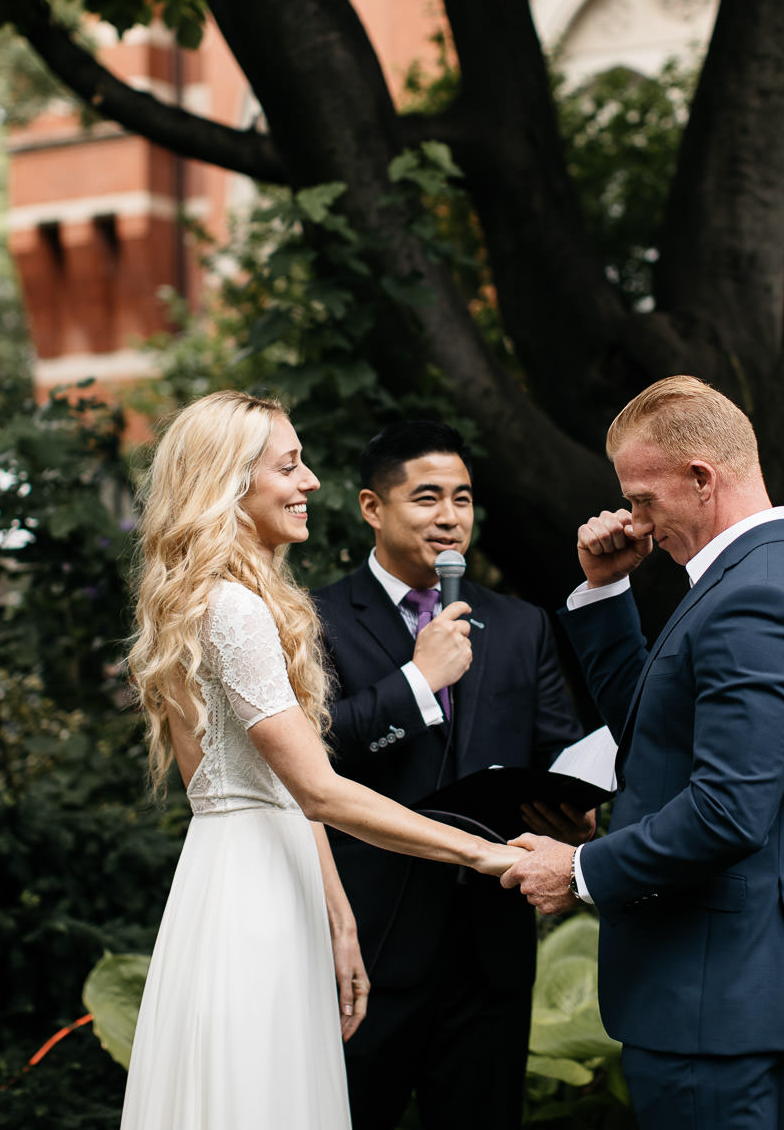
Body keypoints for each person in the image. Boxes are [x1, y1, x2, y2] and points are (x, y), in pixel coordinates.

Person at [117, 391, 525, 1130]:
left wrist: (339, 919)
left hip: (238, 878)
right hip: (257, 899)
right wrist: (488, 856)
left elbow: (280, 791)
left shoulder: (203, 602)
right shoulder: (234, 610)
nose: (310, 483)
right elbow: (321, 792)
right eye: (290, 465)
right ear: (230, 483)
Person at [501, 375, 784, 1130]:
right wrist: (603, 593)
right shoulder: (758, 576)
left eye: (642, 498)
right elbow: (655, 731)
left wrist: (581, 870)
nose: (633, 521)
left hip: (712, 991)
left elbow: (728, 810)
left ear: (702, 478)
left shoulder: (756, 598)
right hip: (723, 984)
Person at [312, 420, 587, 1130]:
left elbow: (555, 748)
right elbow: (308, 757)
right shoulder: (316, 620)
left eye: (462, 499)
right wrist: (414, 682)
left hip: (489, 946)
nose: (449, 517)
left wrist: (575, 806)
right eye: (426, 498)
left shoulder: (522, 625)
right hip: (371, 942)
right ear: (373, 508)